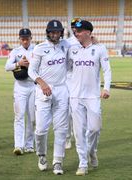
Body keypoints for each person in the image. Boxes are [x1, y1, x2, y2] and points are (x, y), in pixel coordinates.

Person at [68, 20, 111, 176]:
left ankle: (92, 151)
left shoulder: (100, 49)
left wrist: (106, 88)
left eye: (79, 31)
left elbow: (106, 70)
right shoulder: (71, 49)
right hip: (75, 96)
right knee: (79, 132)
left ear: (88, 32)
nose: (76, 33)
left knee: (94, 128)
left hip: (93, 96)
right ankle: (83, 163)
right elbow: (64, 68)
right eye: (74, 31)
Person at [28, 20, 70, 175]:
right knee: (40, 129)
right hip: (43, 91)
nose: (55, 34)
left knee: (61, 129)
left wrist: (94, 40)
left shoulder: (66, 45)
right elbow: (31, 71)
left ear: (61, 32)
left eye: (57, 32)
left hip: (61, 90)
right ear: (47, 33)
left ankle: (58, 161)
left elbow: (82, 41)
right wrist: (42, 83)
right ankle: (41, 155)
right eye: (52, 32)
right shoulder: (40, 48)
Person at [5, 28, 35, 155]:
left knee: (32, 118)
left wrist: (30, 65)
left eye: (27, 38)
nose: (25, 41)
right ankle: (19, 145)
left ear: (30, 38)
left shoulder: (36, 50)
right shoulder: (15, 52)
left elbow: (42, 67)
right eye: (22, 38)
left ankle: (29, 145)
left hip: (33, 86)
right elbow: (7, 67)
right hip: (20, 86)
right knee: (19, 116)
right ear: (19, 39)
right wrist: (19, 63)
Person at [65, 17, 81, 149]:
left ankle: (79, 136)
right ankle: (67, 137)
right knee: (68, 111)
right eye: (75, 27)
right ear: (72, 28)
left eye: (79, 27)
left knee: (80, 111)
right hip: (69, 80)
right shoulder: (67, 43)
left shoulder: (88, 42)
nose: (77, 30)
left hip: (83, 81)